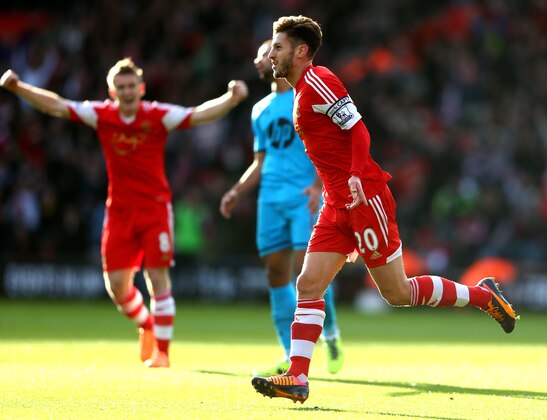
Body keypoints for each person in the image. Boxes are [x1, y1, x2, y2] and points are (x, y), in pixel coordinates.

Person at [251, 15, 518, 403]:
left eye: (277, 46)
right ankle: (297, 377)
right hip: (335, 204)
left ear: (300, 51)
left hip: (365, 199)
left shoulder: (319, 80)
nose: (271, 53)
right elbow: (328, 149)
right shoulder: (297, 93)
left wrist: (357, 176)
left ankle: (482, 296)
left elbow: (358, 130)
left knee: (397, 293)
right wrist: (322, 187)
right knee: (308, 284)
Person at [1, 58, 249, 368]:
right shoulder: (103, 115)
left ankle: (162, 352)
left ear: (141, 88)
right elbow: (58, 106)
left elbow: (197, 115)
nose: (128, 91)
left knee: (157, 277)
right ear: (112, 91)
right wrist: (18, 87)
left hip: (155, 209)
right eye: (121, 87)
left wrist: (232, 98)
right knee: (117, 285)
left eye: (132, 86)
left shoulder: (157, 116)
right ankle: (146, 323)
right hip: (118, 211)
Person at [220, 40, 344, 376]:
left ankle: (331, 336)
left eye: (264, 54)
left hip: (303, 195)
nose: (259, 60)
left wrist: (319, 185)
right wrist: (236, 191)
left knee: (309, 272)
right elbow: (260, 162)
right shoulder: (259, 109)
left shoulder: (305, 96)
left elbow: (326, 146)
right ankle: (290, 353)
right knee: (276, 273)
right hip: (270, 200)